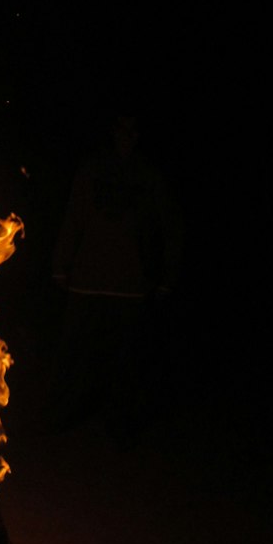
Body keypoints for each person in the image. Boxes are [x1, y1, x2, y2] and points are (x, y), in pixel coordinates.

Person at [48, 109, 182, 443]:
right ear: (112, 132)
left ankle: (119, 425)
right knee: (74, 355)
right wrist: (61, 263)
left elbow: (168, 227)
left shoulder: (149, 175)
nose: (127, 137)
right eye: (121, 129)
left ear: (139, 136)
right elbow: (74, 216)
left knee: (126, 361)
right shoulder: (92, 169)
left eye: (133, 131)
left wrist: (168, 274)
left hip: (130, 285)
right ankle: (62, 416)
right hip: (87, 281)